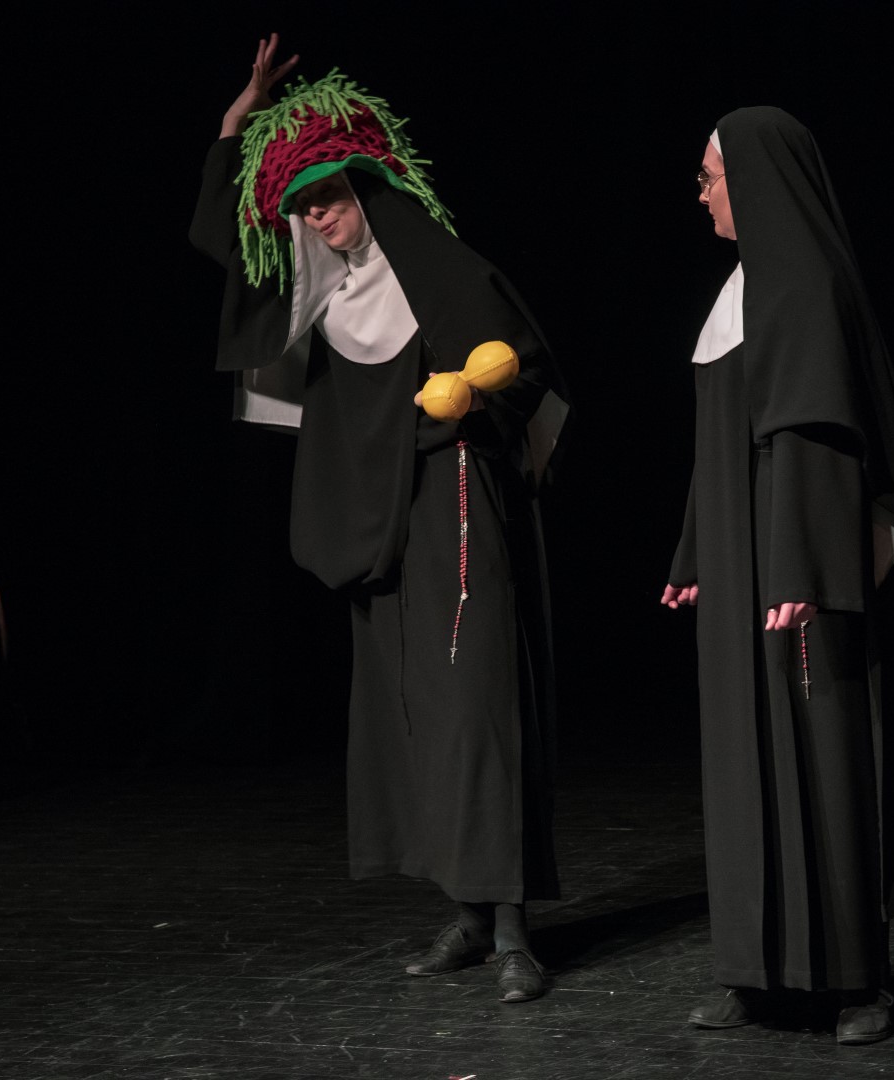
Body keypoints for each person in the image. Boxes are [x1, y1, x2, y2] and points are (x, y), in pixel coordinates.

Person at [189, 35, 569, 1003]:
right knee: (410, 716)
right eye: (304, 207)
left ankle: (514, 930)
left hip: (453, 505)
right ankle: (467, 915)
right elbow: (228, 241)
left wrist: (473, 393)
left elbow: (523, 364)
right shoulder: (324, 291)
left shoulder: (439, 272)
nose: (317, 219)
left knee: (475, 709)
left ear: (368, 189)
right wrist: (235, 125)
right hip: (371, 519)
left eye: (329, 199)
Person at [661, 106, 894, 1045]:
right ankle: (754, 971)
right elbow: (715, 449)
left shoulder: (806, 285)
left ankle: (858, 983)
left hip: (800, 568)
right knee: (744, 758)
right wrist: (696, 556)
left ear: (755, 180)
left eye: (709, 176)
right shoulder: (736, 292)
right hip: (744, 565)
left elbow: (818, 440)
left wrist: (802, 566)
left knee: (826, 753)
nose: (701, 193)